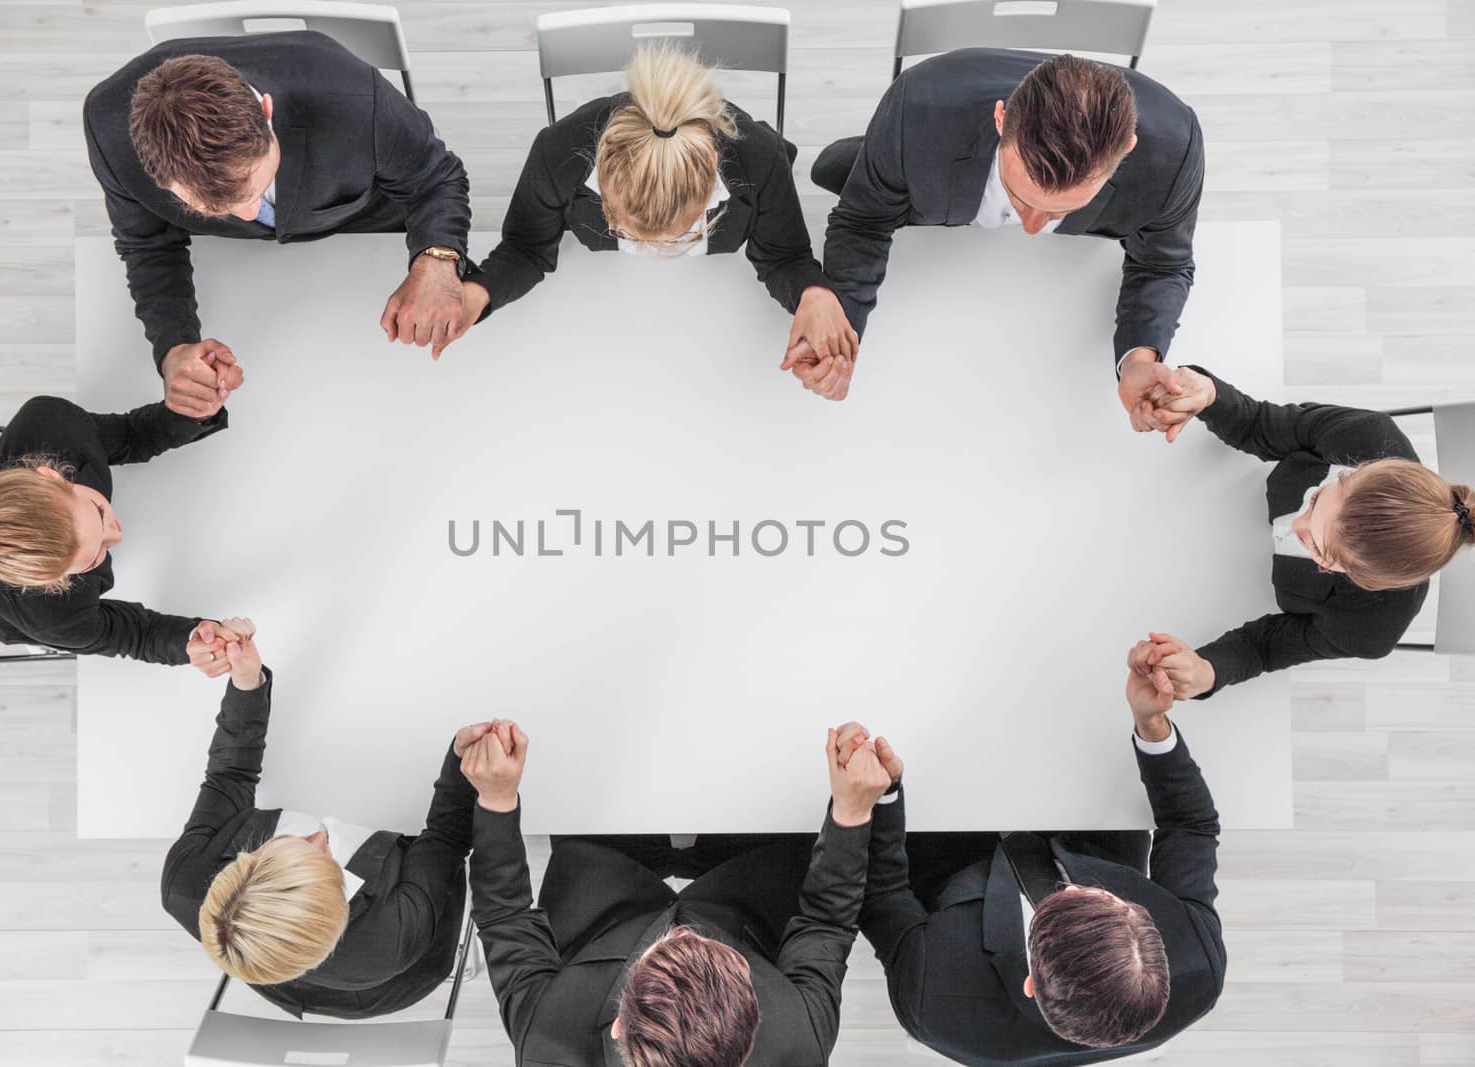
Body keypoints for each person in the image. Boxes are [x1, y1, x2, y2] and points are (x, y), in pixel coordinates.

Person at [846, 659, 1225, 1065]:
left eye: (1065, 899)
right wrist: (1153, 729)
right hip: (1088, 823)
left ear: (1030, 983)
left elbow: (882, 894)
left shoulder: (933, 997)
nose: (1082, 885)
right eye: (1112, 900)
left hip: (949, 853)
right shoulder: (1197, 967)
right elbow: (1192, 826)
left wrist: (885, 793)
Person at [84, 31, 472, 418]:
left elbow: (437, 177)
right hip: (241, 272)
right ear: (160, 179)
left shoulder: (354, 97)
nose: (251, 216)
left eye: (253, 189)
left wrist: (436, 259)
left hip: (368, 233)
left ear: (266, 112)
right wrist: (174, 348)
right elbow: (148, 245)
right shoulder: (107, 128)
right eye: (215, 208)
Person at [463, 722, 890, 1066]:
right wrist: (853, 814)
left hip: (605, 896)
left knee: (601, 737)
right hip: (747, 887)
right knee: (772, 747)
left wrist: (496, 800)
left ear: (618, 1027)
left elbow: (506, 919)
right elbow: (826, 924)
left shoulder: (548, 1047)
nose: (681, 926)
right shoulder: (798, 1044)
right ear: (751, 1022)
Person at [809, 49, 1203, 412]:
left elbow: (1163, 266)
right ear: (1000, 119)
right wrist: (839, 335)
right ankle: (876, 157)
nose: (1030, 228)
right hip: (934, 154)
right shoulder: (918, 102)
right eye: (1019, 198)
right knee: (836, 170)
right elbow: (864, 221)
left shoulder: (1175, 150)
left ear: (1127, 150)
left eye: (1058, 211)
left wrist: (1138, 360)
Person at [449, 44, 857, 393]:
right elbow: (526, 245)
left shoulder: (761, 160)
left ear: (714, 170)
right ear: (601, 171)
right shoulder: (557, 153)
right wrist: (479, 293)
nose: (656, 249)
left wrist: (813, 294)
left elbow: (784, 257)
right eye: (626, 229)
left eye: (678, 236)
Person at [163, 618, 485, 1017]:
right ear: (342, 908)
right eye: (326, 860)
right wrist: (463, 761)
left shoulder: (185, 881)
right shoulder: (390, 936)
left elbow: (229, 776)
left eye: (275, 848)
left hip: (279, 967)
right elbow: (448, 840)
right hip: (395, 975)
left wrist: (247, 684)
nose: (316, 836)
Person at [1128, 366, 1472, 697]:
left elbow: (1267, 649)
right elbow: (1257, 423)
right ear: (1353, 470)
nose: (1293, 526)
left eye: (1318, 550)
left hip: (1221, 590)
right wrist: (1205, 394)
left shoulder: (1372, 627)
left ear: (1366, 582)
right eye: (1316, 499)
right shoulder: (1367, 435)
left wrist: (1209, 671)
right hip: (1212, 489)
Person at [0, 394, 239, 671]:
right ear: (56, 583)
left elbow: (133, 433)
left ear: (53, 475)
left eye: (99, 511)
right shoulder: (53, 618)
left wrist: (193, 410)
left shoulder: (49, 422)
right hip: (17, 611)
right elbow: (135, 635)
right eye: (94, 558)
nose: (118, 535)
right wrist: (192, 639)